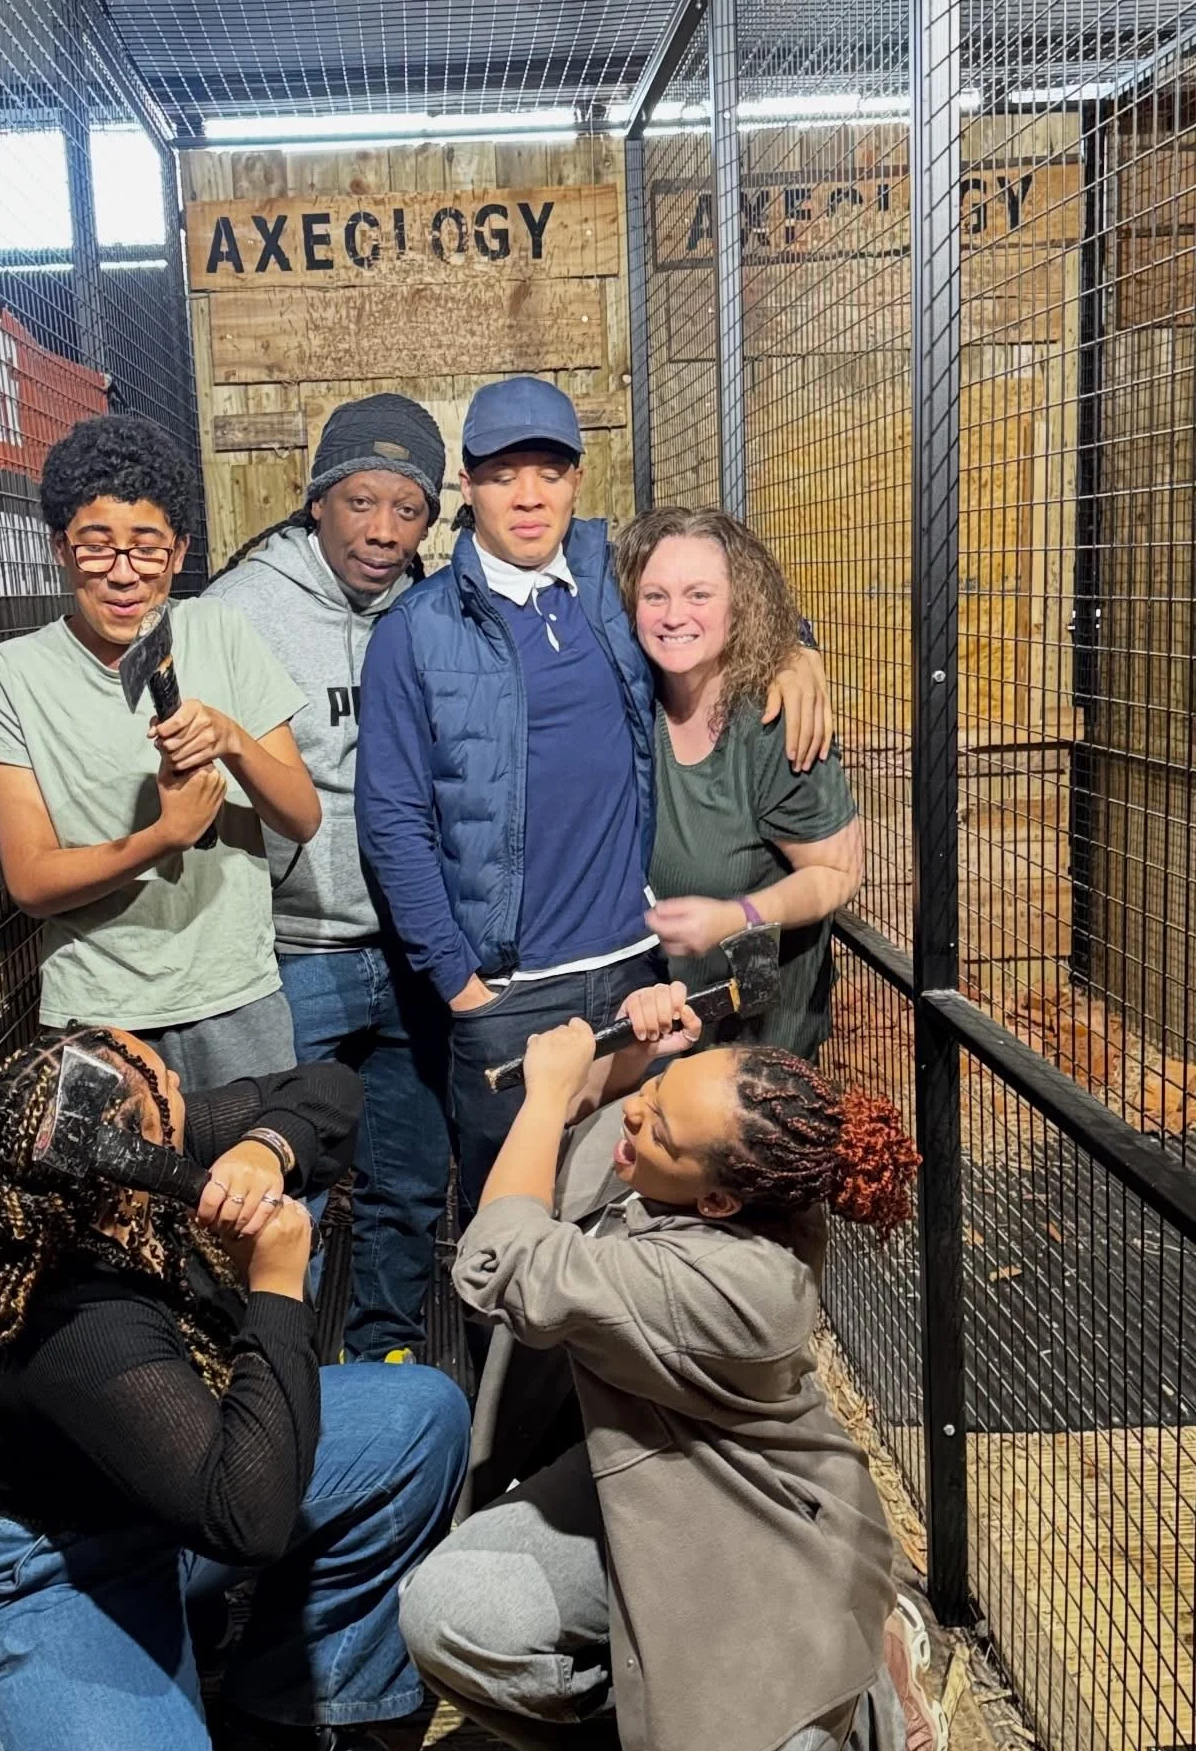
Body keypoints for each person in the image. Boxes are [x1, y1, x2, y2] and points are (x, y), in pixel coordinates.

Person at [399, 985, 946, 1751]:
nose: (638, 1116)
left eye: (659, 1122)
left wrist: (547, 1094)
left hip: (762, 1562)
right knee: (451, 1612)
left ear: (720, 1201)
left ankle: (871, 1714)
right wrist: (631, 1064)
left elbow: (500, 1260)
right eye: (657, 1091)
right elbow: (587, 1130)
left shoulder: (739, 1290)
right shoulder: (693, 1174)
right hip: (647, 1486)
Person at [0, 1027, 469, 1751]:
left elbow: (332, 1092)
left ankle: (280, 1708)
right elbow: (247, 1520)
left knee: (418, 1414)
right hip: (53, 1567)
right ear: (129, 1149)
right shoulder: (81, 1325)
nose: (182, 1091)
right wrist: (277, 1288)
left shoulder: (108, 1174)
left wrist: (263, 1146)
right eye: (168, 1090)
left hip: (167, 1496)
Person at [355, 377, 831, 1224]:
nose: (528, 496)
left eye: (550, 472)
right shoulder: (415, 631)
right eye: (503, 475)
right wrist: (461, 985)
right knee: (512, 1235)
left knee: (644, 1218)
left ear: (578, 479)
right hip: (510, 993)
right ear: (467, 485)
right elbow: (392, 822)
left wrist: (797, 648)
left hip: (638, 978)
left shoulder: (613, 579)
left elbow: (714, 597)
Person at [203, 395, 452, 1363]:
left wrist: (794, 641)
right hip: (290, 951)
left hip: (411, 951)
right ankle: (276, 1377)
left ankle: (384, 1358)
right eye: (360, 501)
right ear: (316, 502)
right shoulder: (237, 611)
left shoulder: (435, 608)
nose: (383, 530)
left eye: (408, 509)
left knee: (409, 1178)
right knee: (279, 1185)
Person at [0, 414, 320, 1091]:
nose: (124, 575)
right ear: (61, 549)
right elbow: (31, 883)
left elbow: (302, 817)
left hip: (235, 994)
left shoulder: (220, 630)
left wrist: (232, 739)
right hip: (101, 1011)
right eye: (96, 548)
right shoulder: (11, 675)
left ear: (179, 552)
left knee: (253, 1159)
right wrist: (164, 837)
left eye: (147, 548)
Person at [617, 506, 863, 1059]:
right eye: (655, 596)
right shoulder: (631, 707)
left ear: (740, 604)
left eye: (699, 595)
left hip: (755, 1054)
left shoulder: (771, 722)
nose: (674, 615)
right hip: (653, 1042)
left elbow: (838, 871)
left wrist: (738, 917)